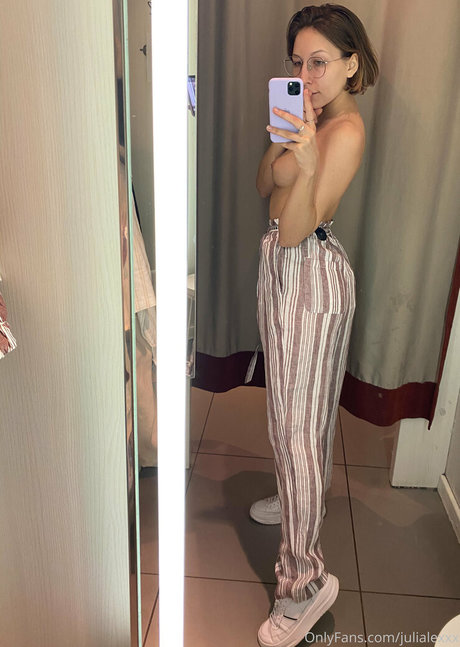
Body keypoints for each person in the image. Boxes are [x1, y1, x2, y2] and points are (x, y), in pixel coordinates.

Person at [250, 5, 378, 646]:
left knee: (298, 430)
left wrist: (300, 165)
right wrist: (286, 142)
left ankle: (303, 585)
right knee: (294, 417)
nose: (307, 76)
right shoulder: (312, 119)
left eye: (320, 62)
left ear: (352, 64)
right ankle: (296, 494)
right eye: (297, 63)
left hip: (310, 279)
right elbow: (262, 188)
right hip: (284, 271)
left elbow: (297, 225)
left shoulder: (345, 130)